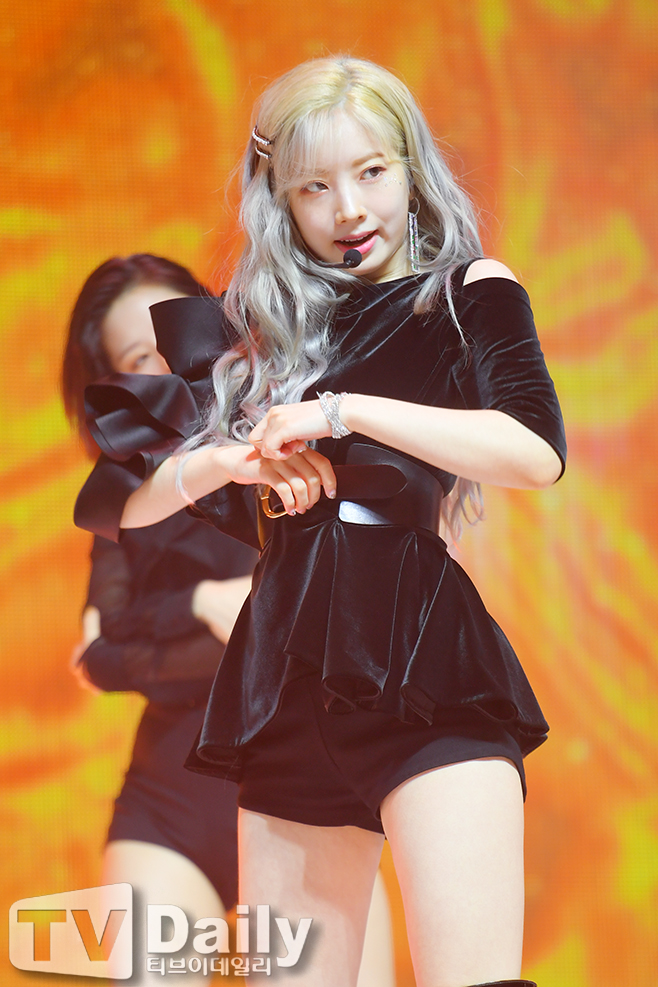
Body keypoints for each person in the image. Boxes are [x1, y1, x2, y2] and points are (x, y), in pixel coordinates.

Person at [75, 59, 566, 987]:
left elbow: (535, 449)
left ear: (411, 166)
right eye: (314, 186)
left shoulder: (464, 291)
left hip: (425, 671)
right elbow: (117, 504)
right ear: (282, 200)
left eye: (371, 171)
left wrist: (342, 411)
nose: (348, 208)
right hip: (285, 691)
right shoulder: (262, 330)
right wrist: (228, 461)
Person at [64, 252, 396, 987]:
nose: (165, 365)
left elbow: (349, 614)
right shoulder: (124, 496)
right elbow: (102, 657)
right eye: (137, 356)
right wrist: (202, 603)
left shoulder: (291, 436)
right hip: (168, 809)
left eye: (175, 335)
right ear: (110, 379)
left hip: (310, 801)